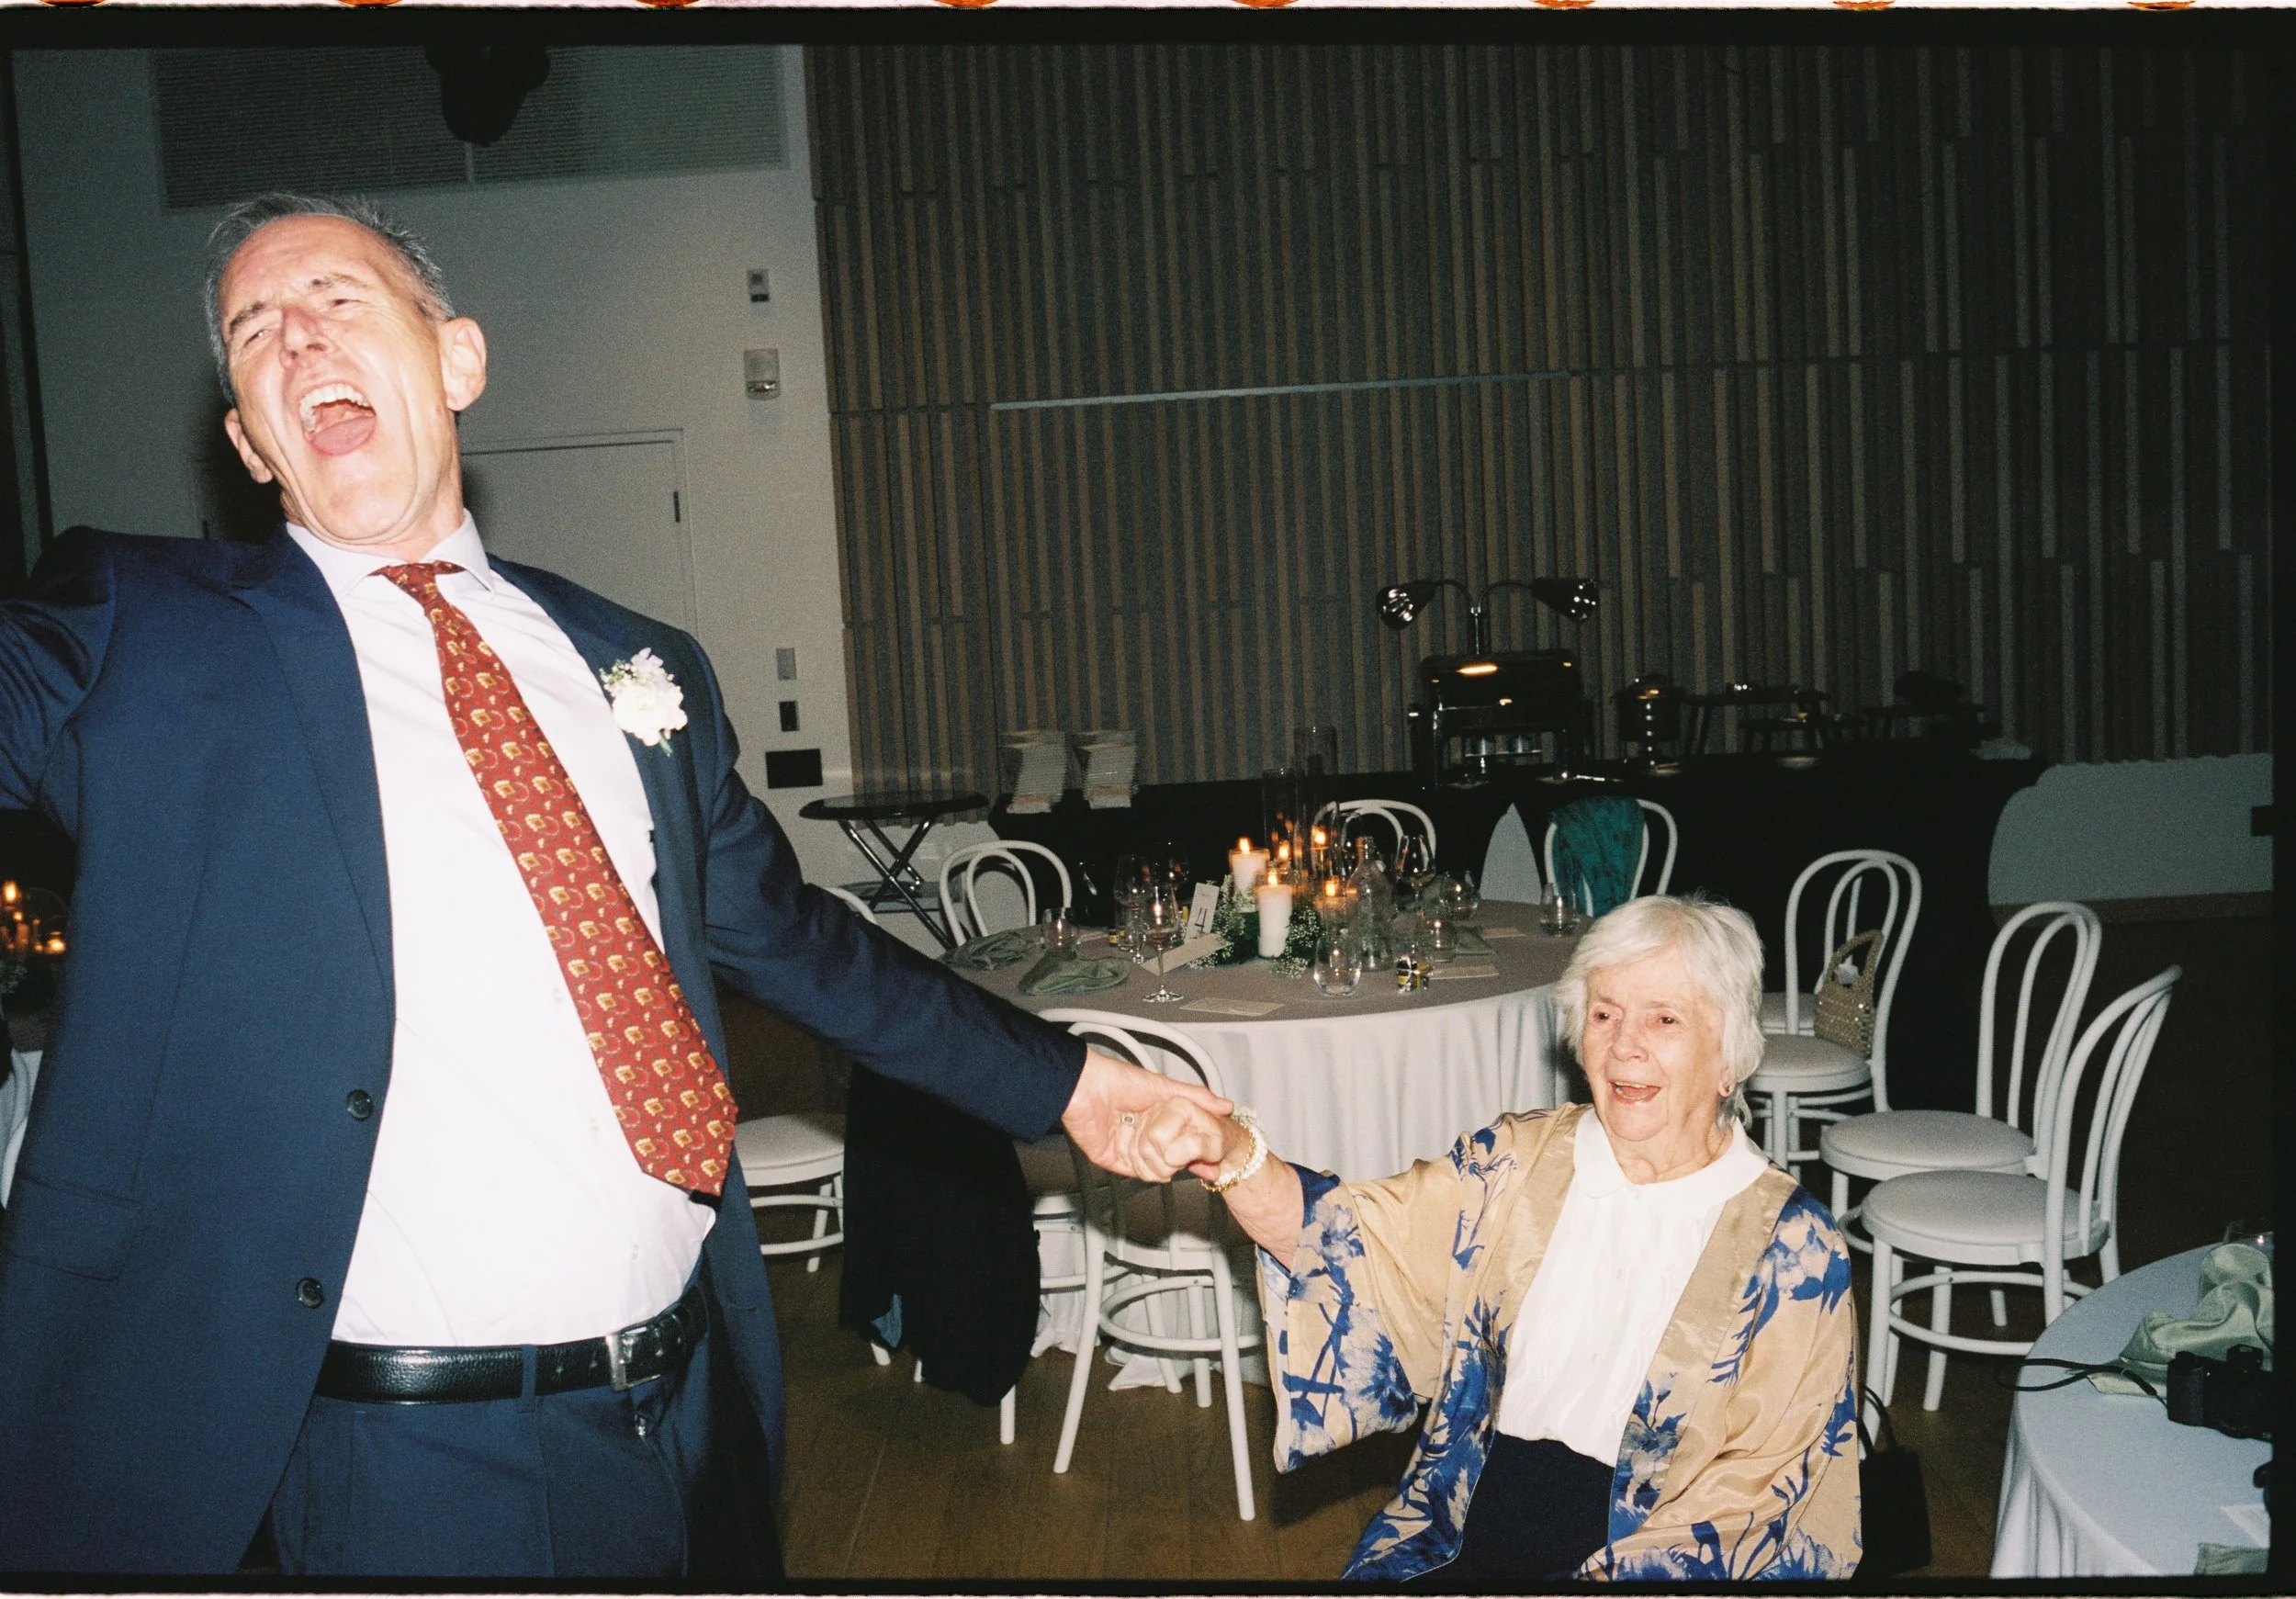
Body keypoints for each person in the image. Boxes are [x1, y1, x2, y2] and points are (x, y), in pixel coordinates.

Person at [0, 192, 1225, 1578]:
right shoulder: (135, 632)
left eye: (338, 299)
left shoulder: (635, 662)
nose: (295, 340)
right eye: (254, 334)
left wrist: (1068, 1086)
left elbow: (802, 943)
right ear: (247, 444)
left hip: (681, 1410)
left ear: (456, 360)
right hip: (390, 1460)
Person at [1141, 894, 1862, 1582]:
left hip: (1653, 1549)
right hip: (1464, 1514)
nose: (1625, 1047)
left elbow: (1754, 1504)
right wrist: (1232, 1155)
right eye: (1604, 1014)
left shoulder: (1793, 1250)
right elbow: (1349, 1241)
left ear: (1729, 1055)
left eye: (1665, 1019)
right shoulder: (1516, 1162)